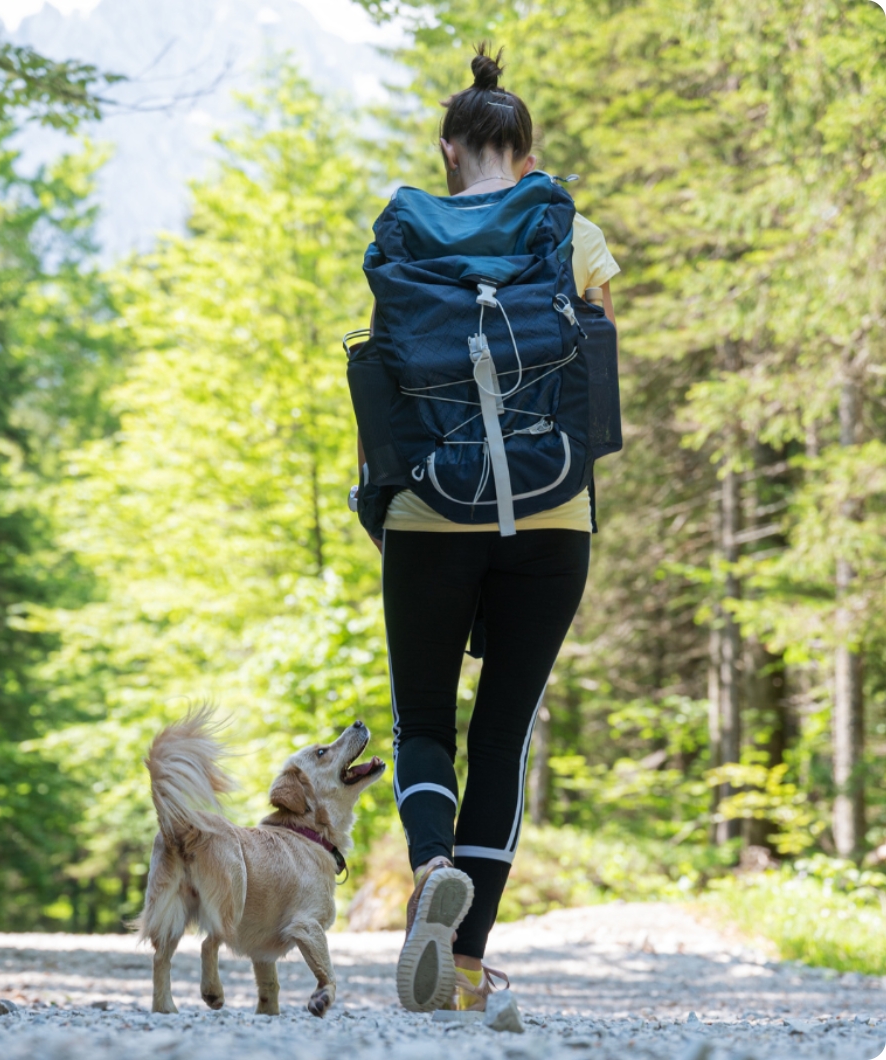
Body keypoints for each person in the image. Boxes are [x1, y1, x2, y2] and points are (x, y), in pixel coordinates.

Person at [356, 45, 620, 1014]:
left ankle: (430, 865)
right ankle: (463, 964)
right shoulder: (569, 230)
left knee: (423, 720)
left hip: (429, 507)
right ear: (524, 147)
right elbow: (597, 369)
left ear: (446, 151)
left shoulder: (405, 233)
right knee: (500, 735)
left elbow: (386, 377)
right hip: (551, 512)